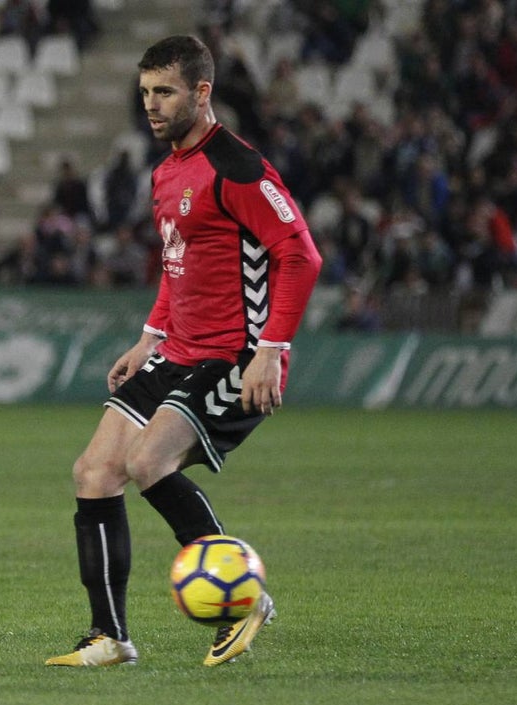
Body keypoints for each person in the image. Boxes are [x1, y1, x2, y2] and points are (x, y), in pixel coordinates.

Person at [45, 35, 322, 668]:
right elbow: (178, 266)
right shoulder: (167, 170)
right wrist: (150, 336)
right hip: (179, 350)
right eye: (145, 92)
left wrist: (271, 350)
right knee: (93, 472)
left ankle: (244, 596)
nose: (151, 104)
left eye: (165, 91)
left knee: (148, 461)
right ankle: (109, 636)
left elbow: (300, 255)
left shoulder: (238, 167)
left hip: (234, 355)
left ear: (202, 92)